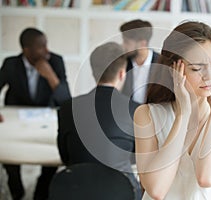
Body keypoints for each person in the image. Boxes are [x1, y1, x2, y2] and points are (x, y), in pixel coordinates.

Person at [134, 21, 211, 200]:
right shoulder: (147, 115)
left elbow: (207, 176)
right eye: (197, 68)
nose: (209, 76)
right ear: (174, 70)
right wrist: (182, 115)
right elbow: (156, 190)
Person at [57, 42, 142, 199]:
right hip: (121, 192)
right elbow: (138, 156)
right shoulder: (136, 109)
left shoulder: (68, 107)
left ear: (93, 72)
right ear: (122, 73)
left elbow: (65, 156)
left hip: (75, 191)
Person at [0, 27, 71, 200]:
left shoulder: (55, 61)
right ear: (26, 50)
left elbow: (66, 100)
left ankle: (41, 192)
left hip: (45, 118)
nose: (46, 50)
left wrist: (50, 76)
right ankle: (17, 191)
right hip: (16, 118)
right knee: (9, 156)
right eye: (41, 47)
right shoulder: (11, 64)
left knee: (52, 158)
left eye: (46, 45)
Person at [120, 19, 160, 104]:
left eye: (126, 42)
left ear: (142, 44)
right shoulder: (121, 63)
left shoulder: (162, 64)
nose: (123, 45)